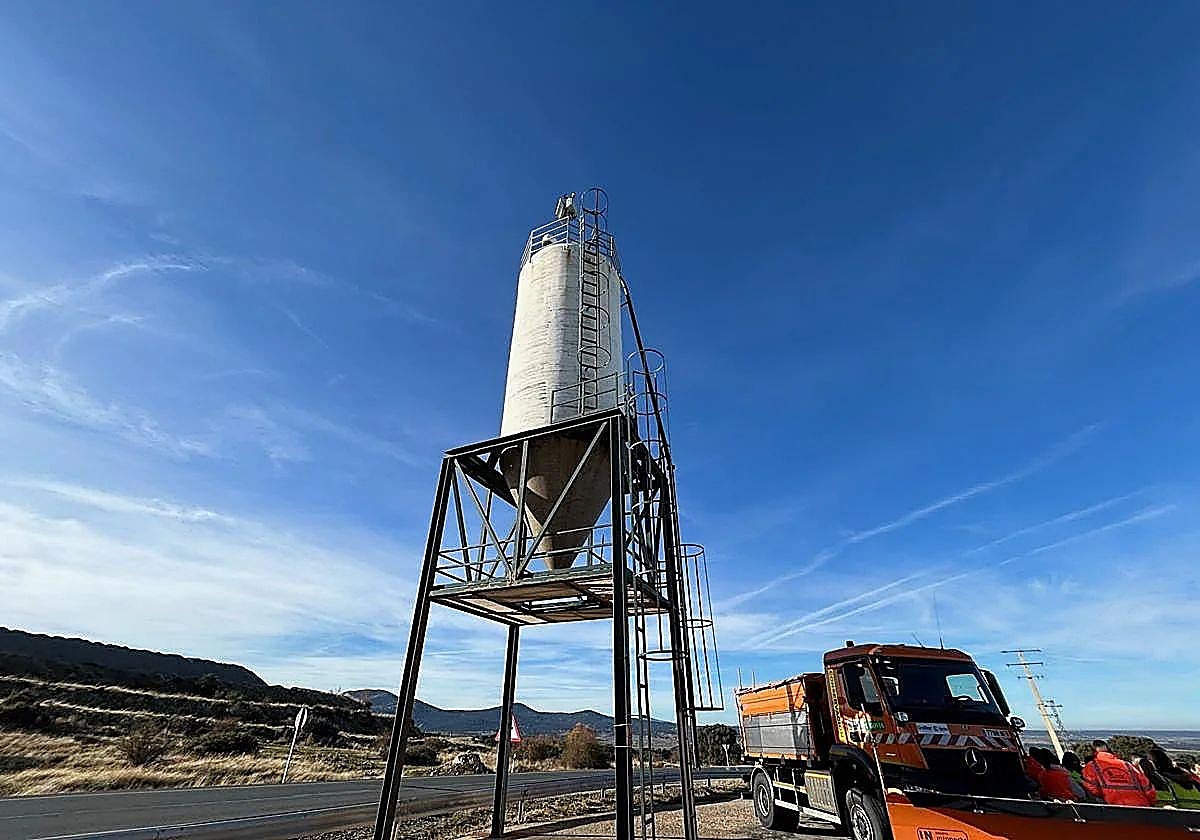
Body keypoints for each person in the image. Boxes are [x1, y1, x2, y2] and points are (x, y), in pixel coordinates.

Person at [1082, 740, 1157, 806]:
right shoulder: (1127, 765)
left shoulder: (1092, 766)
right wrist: (1150, 804)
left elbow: (1091, 789)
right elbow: (1148, 788)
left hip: (1113, 810)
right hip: (1141, 807)